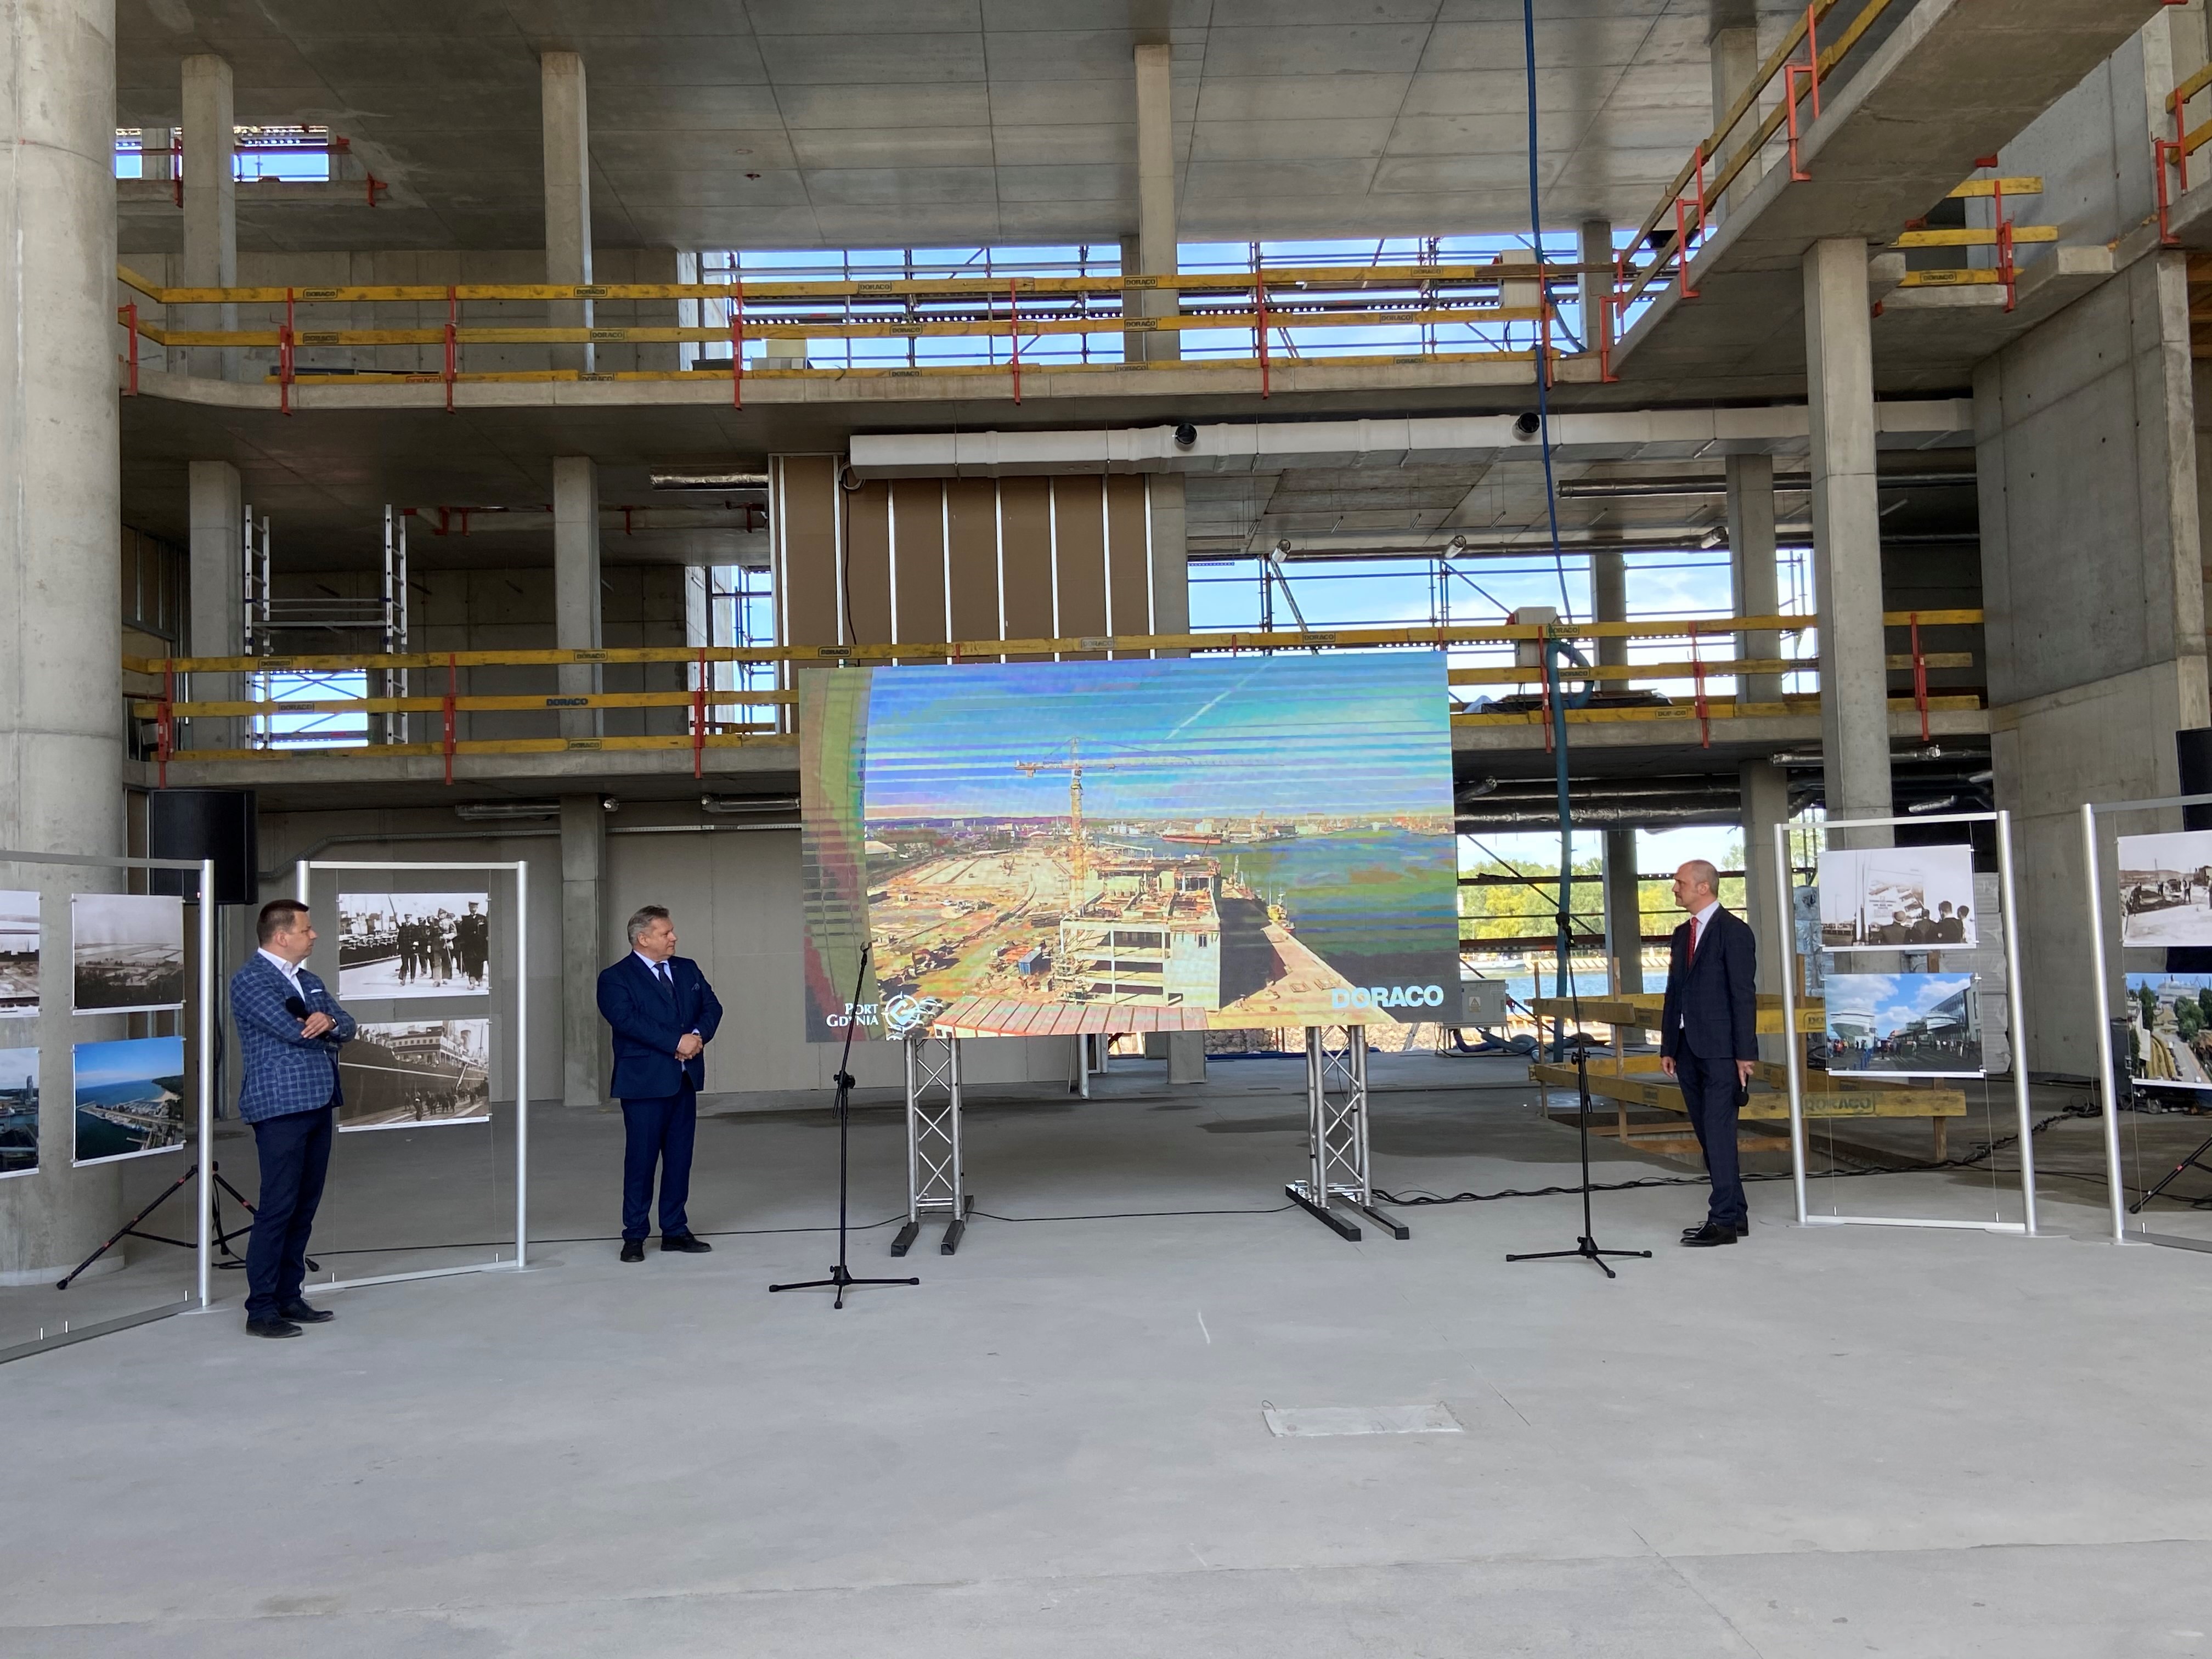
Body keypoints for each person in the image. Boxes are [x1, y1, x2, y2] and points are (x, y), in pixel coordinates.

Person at [230, 900, 357, 1338]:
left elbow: (347, 1025)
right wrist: (326, 1028)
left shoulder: (309, 980)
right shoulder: (251, 980)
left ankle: (290, 1295)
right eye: (306, 929)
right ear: (282, 936)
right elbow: (295, 1031)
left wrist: (329, 1021)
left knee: (304, 1206)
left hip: (318, 1102)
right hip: (280, 1106)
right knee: (278, 1207)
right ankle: (261, 1309)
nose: (314, 934)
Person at [597, 905, 724, 1261]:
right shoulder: (615, 978)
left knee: (680, 1159)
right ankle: (635, 1235)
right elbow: (626, 1020)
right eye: (666, 933)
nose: (674, 938)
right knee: (641, 1160)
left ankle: (675, 1230)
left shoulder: (687, 968)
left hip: (683, 1080)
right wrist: (675, 1042)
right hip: (644, 1084)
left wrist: (696, 1036)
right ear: (643, 938)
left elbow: (712, 1008)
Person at [1658, 860, 1757, 1248]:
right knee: (1707, 1133)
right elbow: (1674, 992)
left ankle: (1723, 1221)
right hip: (1687, 1049)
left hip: (1721, 1052)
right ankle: (1737, 1213)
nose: (1675, 888)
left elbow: (1743, 996)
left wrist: (1744, 1054)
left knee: (1718, 1133)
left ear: (1703, 887)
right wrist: (1669, 1044)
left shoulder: (1734, 932)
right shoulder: (1683, 933)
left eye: (1680, 882)